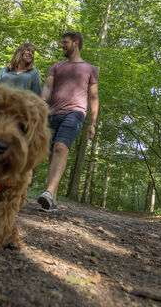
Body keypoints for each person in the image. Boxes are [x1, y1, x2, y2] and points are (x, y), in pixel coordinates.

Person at [37, 31, 99, 212]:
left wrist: (92, 123)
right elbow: (48, 86)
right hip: (52, 113)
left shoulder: (90, 69)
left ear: (76, 43)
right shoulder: (56, 66)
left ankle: (48, 191)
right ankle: (51, 201)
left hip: (75, 113)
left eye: (65, 42)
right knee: (51, 156)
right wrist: (41, 103)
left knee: (61, 148)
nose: (62, 45)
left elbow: (93, 98)